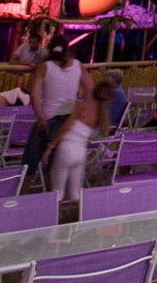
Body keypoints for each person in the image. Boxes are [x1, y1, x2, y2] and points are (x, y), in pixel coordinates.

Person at [24, 35, 87, 179]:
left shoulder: (43, 67)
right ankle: (53, 193)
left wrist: (41, 119)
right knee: (55, 168)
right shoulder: (78, 66)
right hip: (69, 122)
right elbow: (90, 91)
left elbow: (34, 96)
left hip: (48, 119)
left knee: (29, 166)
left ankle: (24, 190)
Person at [46, 78, 113, 205]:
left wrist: (51, 146)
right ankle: (81, 215)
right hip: (81, 152)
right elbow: (102, 133)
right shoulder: (101, 115)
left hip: (66, 148)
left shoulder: (81, 106)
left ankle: (56, 215)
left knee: (57, 192)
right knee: (76, 194)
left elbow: (66, 127)